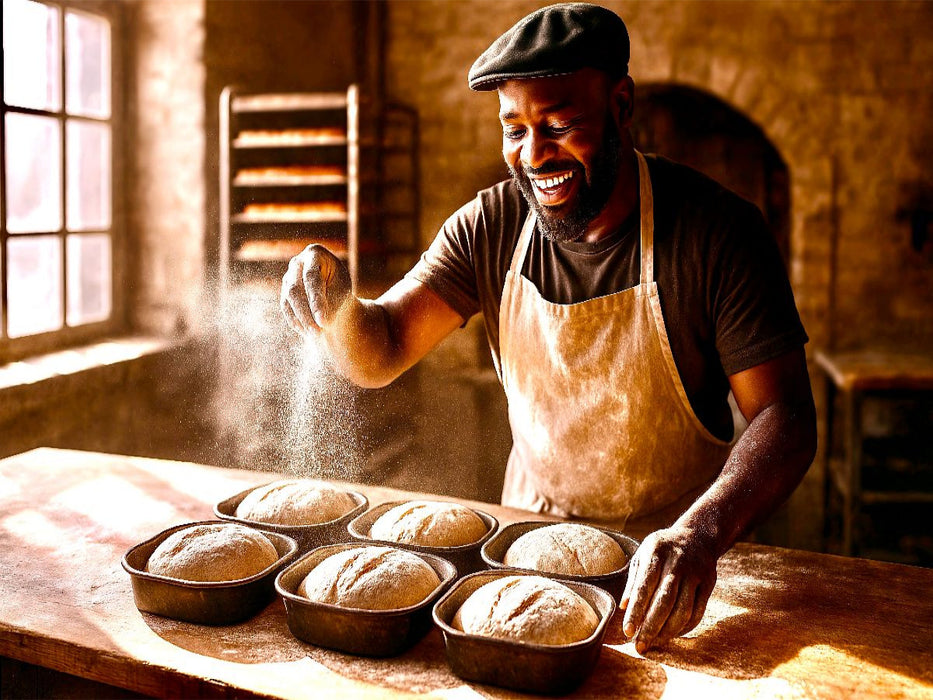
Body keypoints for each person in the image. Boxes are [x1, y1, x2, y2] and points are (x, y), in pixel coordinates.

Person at [280, 3, 816, 653]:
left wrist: (700, 534)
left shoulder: (714, 233)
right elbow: (381, 350)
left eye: (558, 125)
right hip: (531, 562)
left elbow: (784, 418)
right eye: (513, 130)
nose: (533, 155)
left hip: (675, 571)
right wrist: (334, 299)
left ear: (621, 105)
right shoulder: (491, 226)